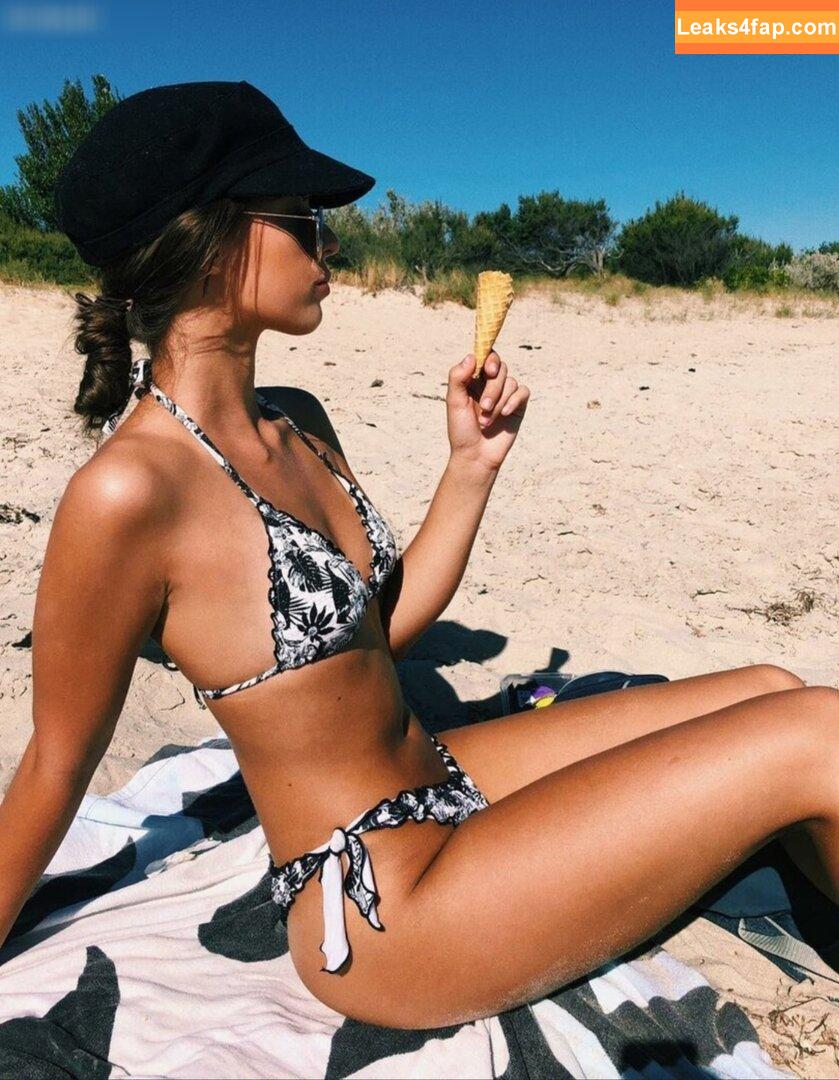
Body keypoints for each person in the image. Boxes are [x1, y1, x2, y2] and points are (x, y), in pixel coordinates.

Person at [0, 79, 836, 1031]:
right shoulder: (129, 491)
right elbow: (56, 764)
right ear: (211, 238)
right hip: (384, 902)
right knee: (818, 733)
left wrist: (471, 464)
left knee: (770, 687)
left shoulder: (296, 421)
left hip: (442, 774)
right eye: (305, 219)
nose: (330, 246)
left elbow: (381, 630)